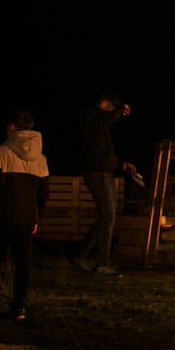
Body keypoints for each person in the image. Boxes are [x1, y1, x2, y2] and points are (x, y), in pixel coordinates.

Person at [0, 111, 50, 321]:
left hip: (1, 217)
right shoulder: (41, 158)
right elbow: (43, 194)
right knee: (23, 264)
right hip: (27, 220)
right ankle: (18, 307)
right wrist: (36, 219)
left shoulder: (0, 151)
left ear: (12, 128)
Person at [72, 91, 135, 275]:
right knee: (108, 216)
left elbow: (104, 153)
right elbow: (103, 122)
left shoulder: (100, 127)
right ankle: (101, 264)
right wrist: (118, 111)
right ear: (103, 104)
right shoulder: (90, 117)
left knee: (106, 218)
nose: (113, 112)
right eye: (112, 108)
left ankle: (79, 253)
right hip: (97, 175)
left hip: (104, 173)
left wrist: (121, 165)